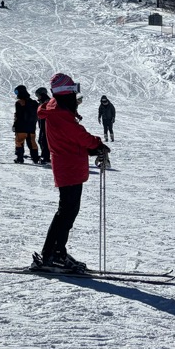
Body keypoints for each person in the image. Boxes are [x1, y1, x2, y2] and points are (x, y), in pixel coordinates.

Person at [34, 73, 110, 273]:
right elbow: (78, 135)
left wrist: (92, 147)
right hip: (68, 167)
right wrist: (96, 144)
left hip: (69, 166)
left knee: (68, 212)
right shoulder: (60, 113)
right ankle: (51, 254)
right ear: (66, 94)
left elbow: (73, 138)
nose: (76, 99)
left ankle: (56, 252)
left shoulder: (57, 109)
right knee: (66, 212)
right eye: (73, 93)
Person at [12, 86, 39, 163]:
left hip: (21, 127)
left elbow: (18, 115)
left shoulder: (19, 103)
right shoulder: (34, 103)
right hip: (31, 126)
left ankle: (20, 158)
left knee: (19, 142)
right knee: (32, 142)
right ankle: (35, 158)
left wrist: (15, 125)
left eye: (16, 92)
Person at [33, 87, 52, 165]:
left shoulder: (47, 101)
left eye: (38, 95)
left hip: (46, 124)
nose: (37, 97)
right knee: (41, 140)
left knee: (43, 140)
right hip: (43, 123)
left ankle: (46, 157)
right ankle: (45, 156)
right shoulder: (42, 101)